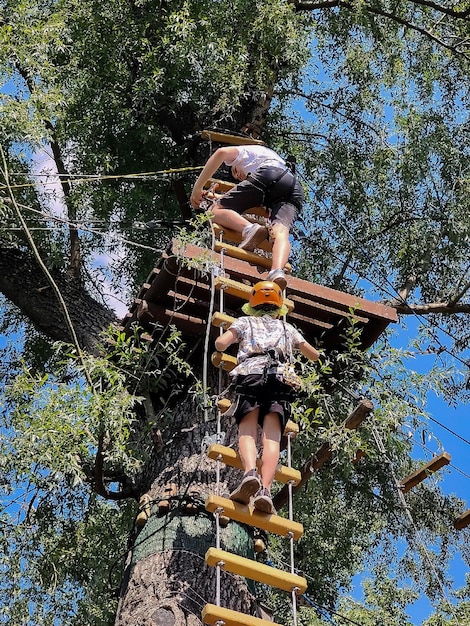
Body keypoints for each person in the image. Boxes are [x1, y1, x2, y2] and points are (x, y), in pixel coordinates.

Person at [214, 280, 319, 514]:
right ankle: (265, 490)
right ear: (279, 306)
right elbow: (313, 354)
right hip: (281, 378)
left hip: (251, 374)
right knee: (272, 438)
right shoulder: (287, 328)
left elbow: (221, 344)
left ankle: (250, 473)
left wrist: (222, 342)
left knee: (247, 430)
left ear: (253, 304)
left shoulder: (244, 322)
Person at [190, 145, 303, 290]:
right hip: (293, 188)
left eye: (235, 171)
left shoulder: (248, 152)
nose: (239, 177)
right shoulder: (274, 159)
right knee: (280, 232)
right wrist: (214, 197)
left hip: (269, 174)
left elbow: (221, 152)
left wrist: (197, 188)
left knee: (213, 211)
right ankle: (277, 271)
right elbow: (249, 199)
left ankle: (249, 229)